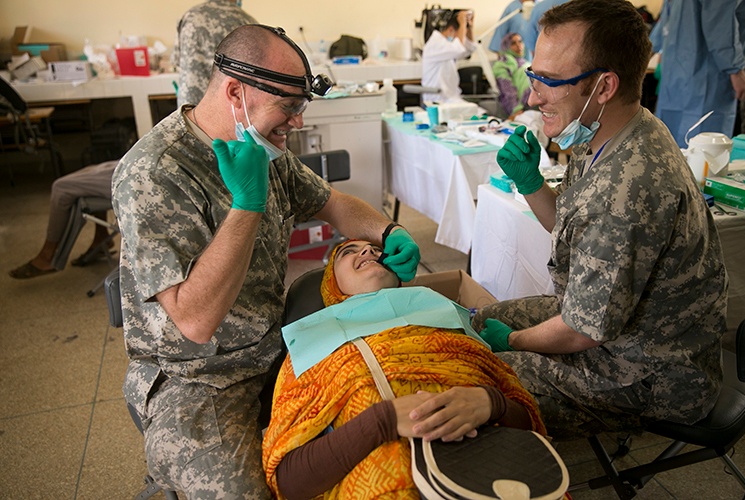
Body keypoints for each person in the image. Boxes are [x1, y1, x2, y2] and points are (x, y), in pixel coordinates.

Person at [112, 25, 421, 499]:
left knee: (388, 425)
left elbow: (333, 203)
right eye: (289, 108)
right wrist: (247, 205)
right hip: (197, 377)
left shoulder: (263, 146)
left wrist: (387, 231)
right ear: (236, 93)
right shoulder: (154, 172)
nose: (296, 124)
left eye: (301, 108)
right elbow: (195, 320)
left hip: (275, 341)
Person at [473, 0, 728, 441]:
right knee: (475, 323)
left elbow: (583, 330)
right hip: (613, 326)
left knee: (477, 374)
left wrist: (511, 343)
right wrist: (531, 183)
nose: (533, 96)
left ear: (604, 86)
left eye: (550, 82)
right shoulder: (612, 131)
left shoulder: (631, 186)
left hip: (652, 372)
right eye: (534, 77)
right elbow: (575, 228)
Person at [262, 240, 545, 499]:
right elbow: (289, 481)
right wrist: (381, 422)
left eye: (375, 249)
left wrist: (491, 403)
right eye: (349, 252)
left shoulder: (451, 326)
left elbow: (529, 428)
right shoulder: (313, 350)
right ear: (331, 285)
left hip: (491, 477)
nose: (369, 252)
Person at [654, 0, 745, 147]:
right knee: (706, 149)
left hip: (676, 70)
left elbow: (665, 21)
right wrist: (735, 69)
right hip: (709, 73)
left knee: (668, 146)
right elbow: (720, 21)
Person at [8, 160, 118, 279]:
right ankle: (101, 237)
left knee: (61, 187)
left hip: (135, 175)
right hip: (132, 163)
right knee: (90, 170)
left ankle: (47, 255)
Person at [172, 0, 257, 108]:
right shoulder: (247, 22)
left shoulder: (190, 16)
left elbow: (176, 60)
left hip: (189, 104)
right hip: (227, 106)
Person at [420, 9, 476, 103]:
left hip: (450, 98)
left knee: (480, 114)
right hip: (437, 100)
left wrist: (469, 27)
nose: (461, 37)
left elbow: (469, 49)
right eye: (461, 33)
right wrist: (462, 24)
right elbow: (459, 49)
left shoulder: (447, 45)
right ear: (451, 30)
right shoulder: (436, 44)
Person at [493, 32, 532, 119]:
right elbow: (507, 90)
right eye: (513, 43)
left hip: (535, 101)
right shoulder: (502, 65)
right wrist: (517, 110)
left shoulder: (526, 63)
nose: (519, 45)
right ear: (506, 47)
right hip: (521, 108)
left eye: (520, 41)